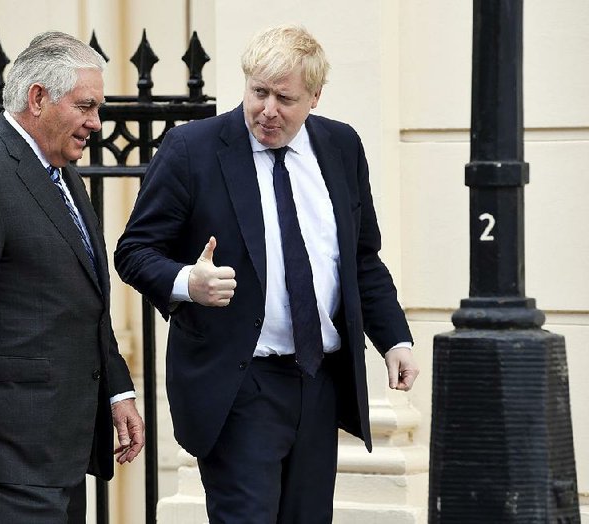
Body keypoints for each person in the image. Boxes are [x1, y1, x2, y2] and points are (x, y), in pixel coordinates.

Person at [115, 24, 419, 523]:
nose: (268, 110)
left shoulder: (341, 147)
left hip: (318, 380)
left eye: (285, 97)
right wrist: (187, 282)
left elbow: (362, 258)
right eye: (258, 92)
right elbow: (134, 250)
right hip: (240, 384)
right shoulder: (192, 148)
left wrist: (395, 340)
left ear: (315, 97)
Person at [0, 31, 143, 523]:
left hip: (56, 452)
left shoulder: (60, 172)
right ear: (38, 98)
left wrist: (117, 390)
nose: (96, 123)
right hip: (0, 459)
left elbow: (80, 298)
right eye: (86, 106)